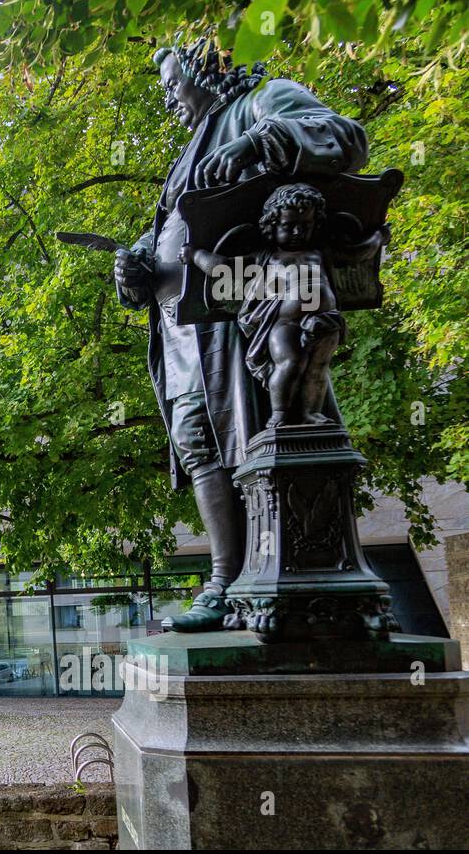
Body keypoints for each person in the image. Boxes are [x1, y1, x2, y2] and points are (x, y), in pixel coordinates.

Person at [114, 39, 369, 631]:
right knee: (198, 443)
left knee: (251, 435)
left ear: (207, 71)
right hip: (182, 333)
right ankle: (225, 579)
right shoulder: (186, 152)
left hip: (240, 321)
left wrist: (261, 142)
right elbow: (174, 233)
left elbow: (343, 137)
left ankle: (269, 578)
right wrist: (135, 268)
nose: (169, 96)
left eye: (174, 82)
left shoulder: (259, 103)